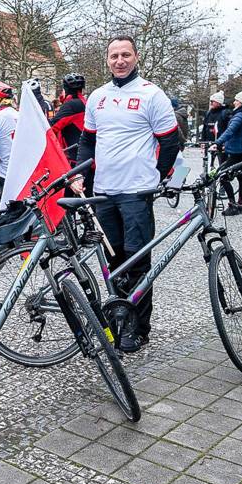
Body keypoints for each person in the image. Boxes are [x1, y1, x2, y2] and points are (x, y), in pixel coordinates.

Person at [70, 35, 180, 353]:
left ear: (136, 57)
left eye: (125, 55)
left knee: (137, 261)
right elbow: (88, 141)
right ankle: (118, 318)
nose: (120, 60)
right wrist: (81, 175)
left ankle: (138, 328)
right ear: (107, 60)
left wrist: (154, 176)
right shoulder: (98, 98)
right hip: (103, 192)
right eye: (114, 55)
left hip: (136, 193)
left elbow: (172, 141)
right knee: (114, 261)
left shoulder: (151, 95)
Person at [211, 86, 242, 216]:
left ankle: (232, 204)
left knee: (223, 176)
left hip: (235, 151)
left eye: (236, 100)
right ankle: (241, 205)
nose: (234, 103)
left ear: (241, 102)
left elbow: (230, 131)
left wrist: (218, 142)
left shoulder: (239, 116)